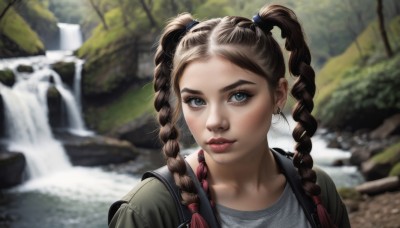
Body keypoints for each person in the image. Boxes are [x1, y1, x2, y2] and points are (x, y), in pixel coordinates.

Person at [108, 3, 350, 228]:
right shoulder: (147, 211)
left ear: (279, 94)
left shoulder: (317, 190)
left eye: (238, 96)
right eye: (196, 101)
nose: (214, 122)